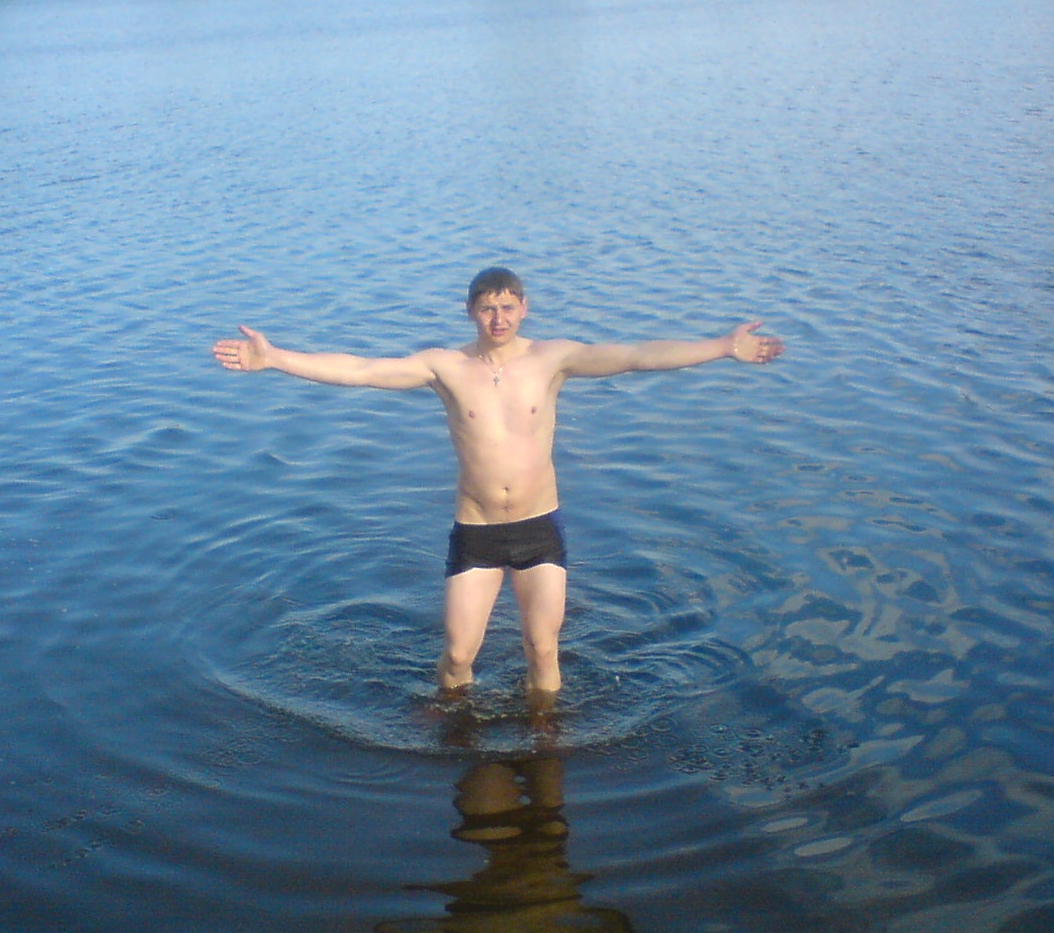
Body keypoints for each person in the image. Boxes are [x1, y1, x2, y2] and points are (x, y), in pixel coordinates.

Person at [213, 267, 783, 704]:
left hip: (539, 528)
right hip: (477, 530)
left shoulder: (553, 359)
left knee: (542, 650)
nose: (499, 319)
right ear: (471, 312)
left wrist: (721, 347)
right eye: (488, 308)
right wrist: (276, 359)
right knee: (460, 655)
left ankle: (546, 737)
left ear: (524, 308)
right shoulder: (444, 366)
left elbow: (636, 356)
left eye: (508, 307)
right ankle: (451, 722)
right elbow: (362, 370)